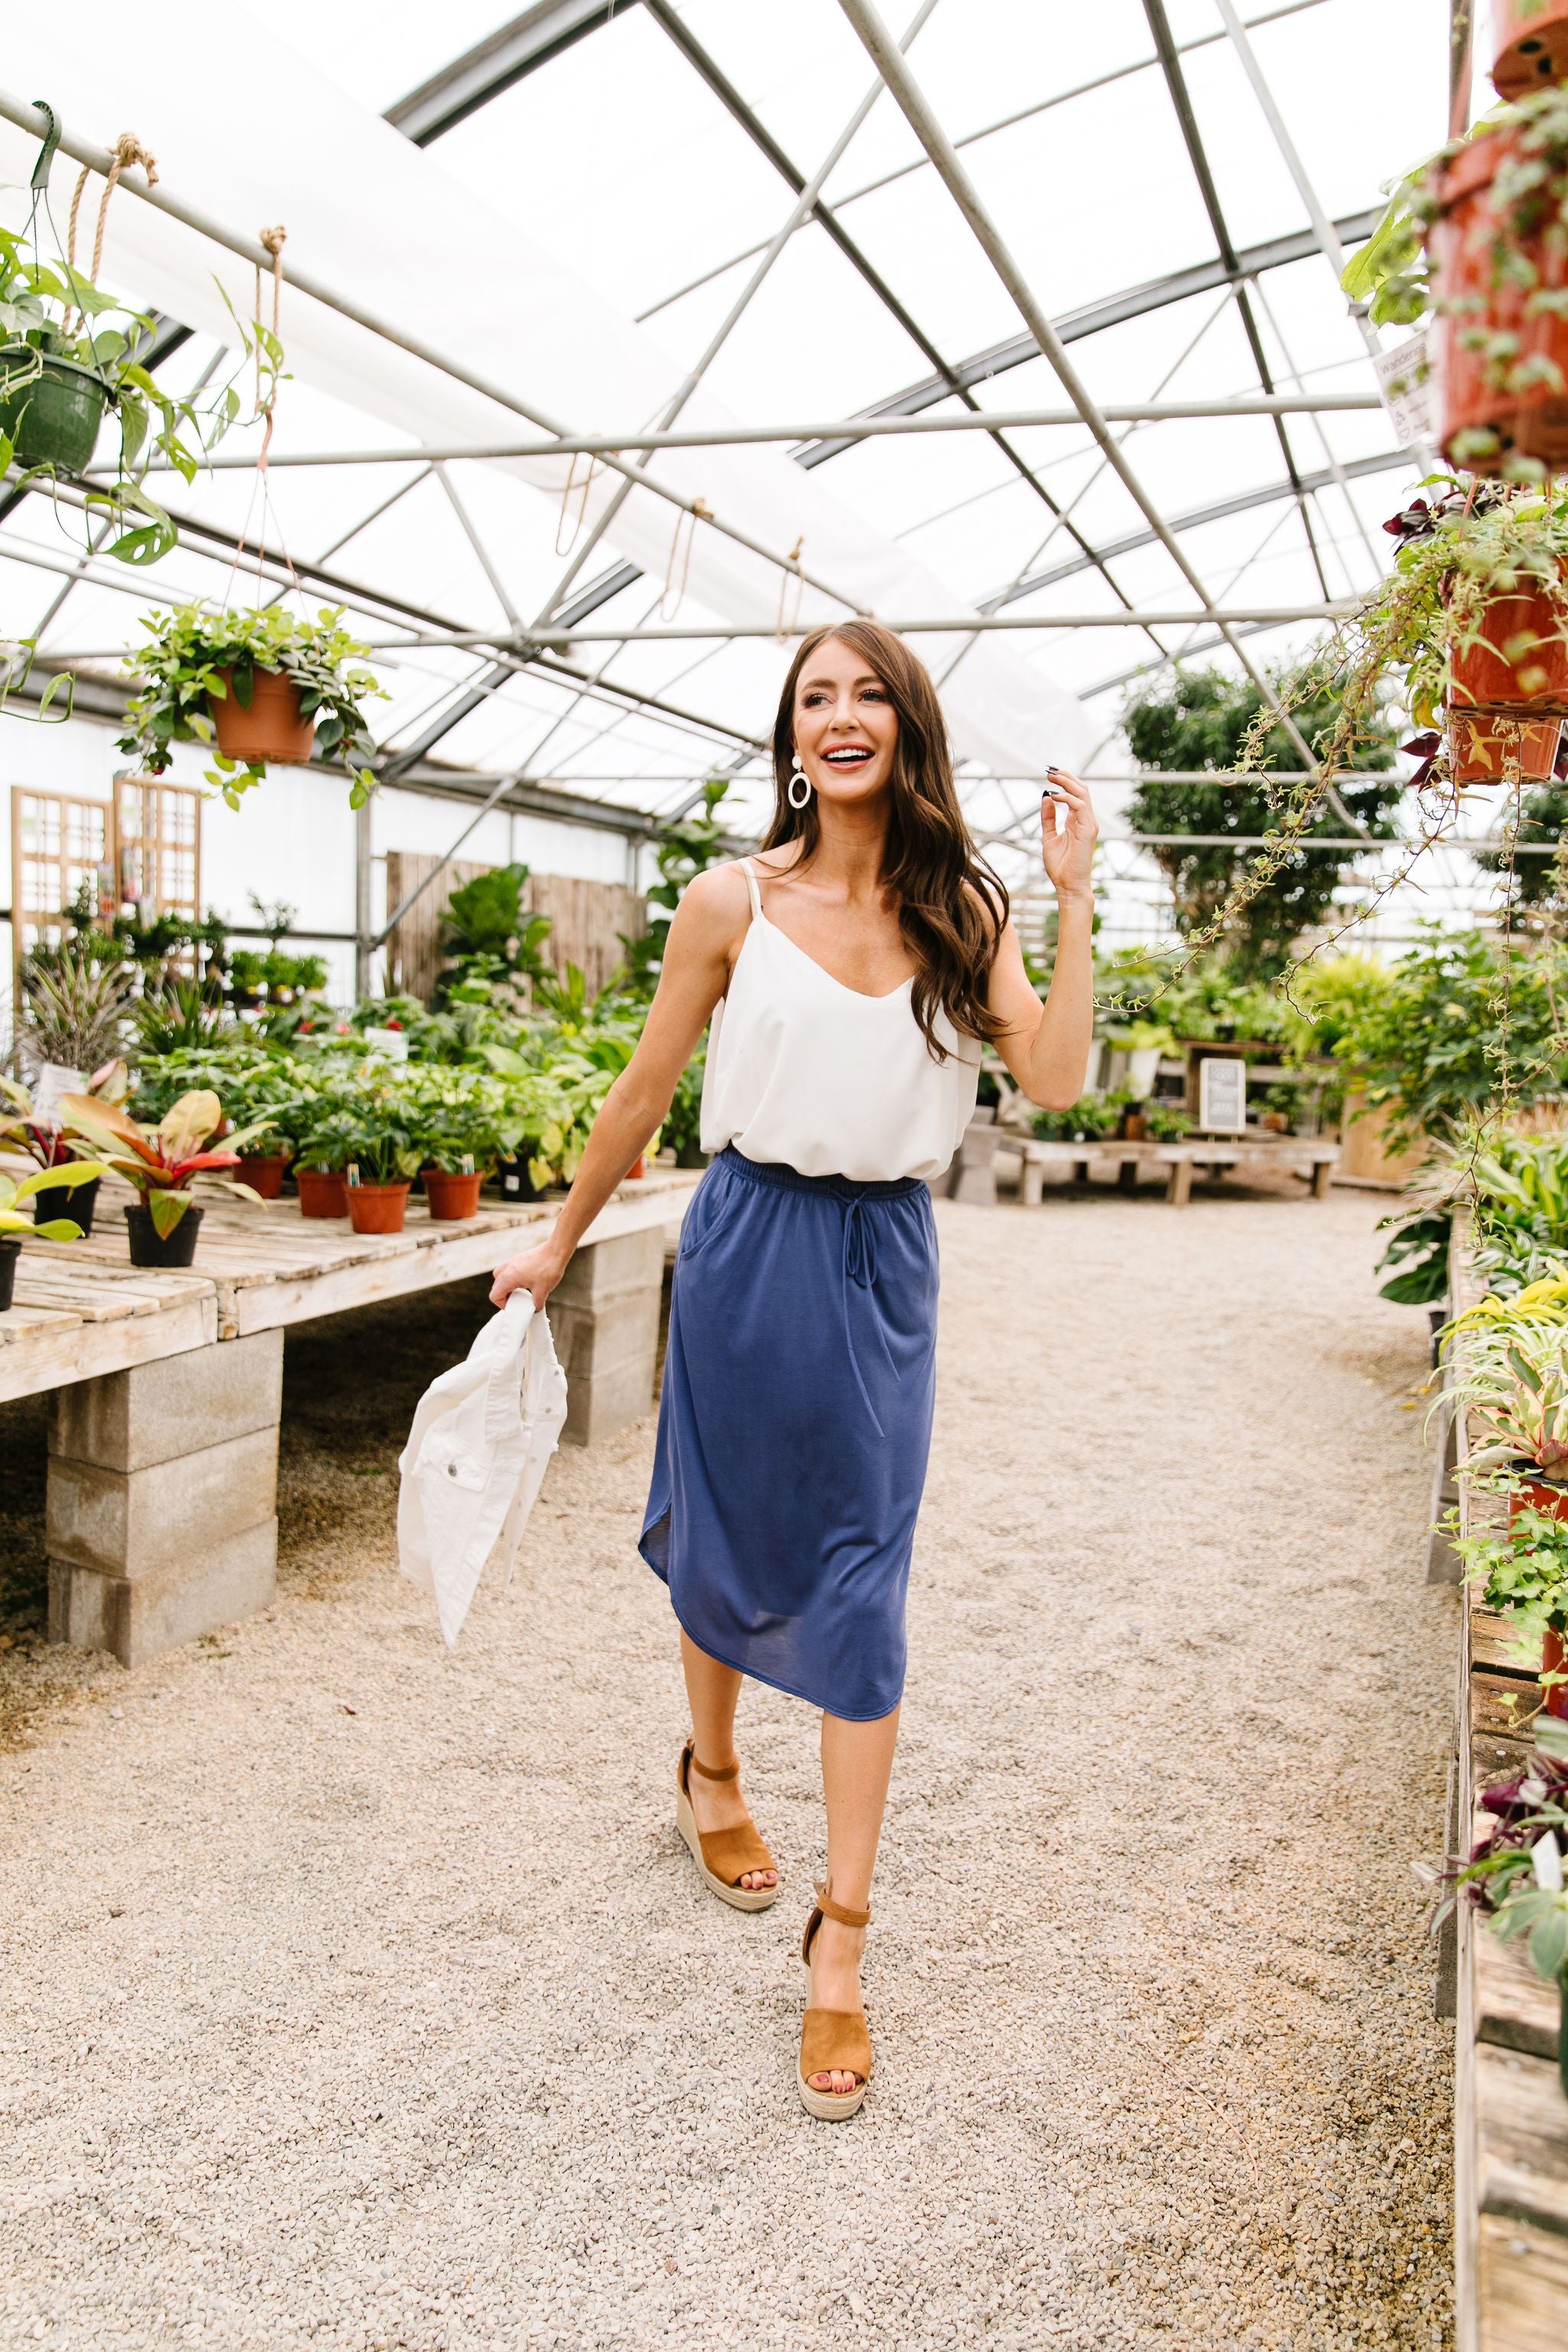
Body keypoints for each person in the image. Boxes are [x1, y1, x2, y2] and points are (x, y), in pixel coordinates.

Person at [491, 619, 1096, 2119]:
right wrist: (556, 1245)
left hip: (884, 1259)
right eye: (814, 697)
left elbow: (1062, 1078)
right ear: (790, 736)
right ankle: (709, 1772)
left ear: (905, 728)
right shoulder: (728, 900)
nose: (840, 716)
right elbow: (641, 1092)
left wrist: (1075, 900)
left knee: (860, 1579)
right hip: (748, 1235)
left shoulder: (964, 908)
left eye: (866, 694)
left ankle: (842, 1943)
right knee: (727, 1519)